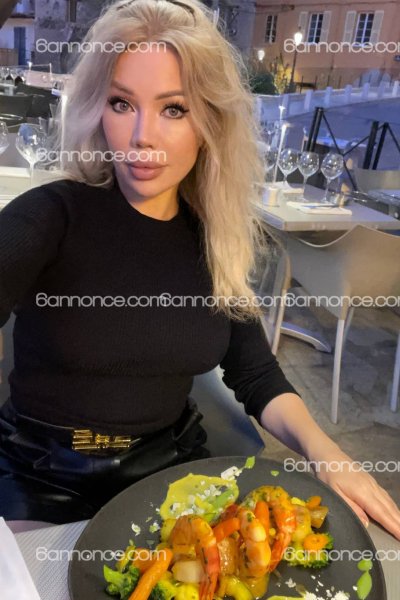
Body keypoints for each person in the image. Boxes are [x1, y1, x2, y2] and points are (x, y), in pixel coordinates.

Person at [0, 0, 399, 539]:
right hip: (41, 473)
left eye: (173, 109)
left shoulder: (215, 237)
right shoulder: (48, 217)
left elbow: (256, 374)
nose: (142, 136)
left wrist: (328, 454)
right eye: (121, 103)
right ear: (97, 109)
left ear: (209, 122)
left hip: (169, 473)